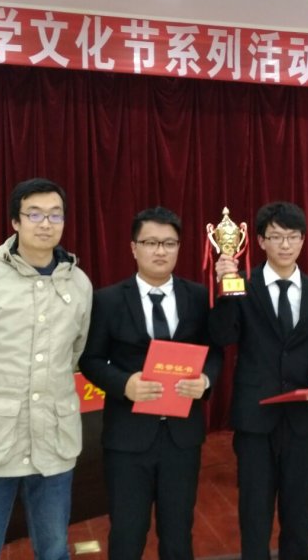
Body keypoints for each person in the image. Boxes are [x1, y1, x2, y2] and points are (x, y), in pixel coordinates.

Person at [0, 178, 93, 560]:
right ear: (15, 221)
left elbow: (75, 353)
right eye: (35, 214)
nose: (46, 224)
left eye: (55, 215)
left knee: (54, 549)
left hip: (53, 440)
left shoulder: (79, 283)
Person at [79, 207, 222, 560]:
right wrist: (123, 384)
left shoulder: (197, 296)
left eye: (169, 243)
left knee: (178, 533)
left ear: (179, 247)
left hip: (181, 438)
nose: (160, 251)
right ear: (133, 248)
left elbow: (214, 351)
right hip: (128, 438)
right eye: (151, 242)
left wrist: (205, 380)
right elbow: (90, 360)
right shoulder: (108, 300)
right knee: (128, 533)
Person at [210, 201, 308, 560]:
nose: (285, 244)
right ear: (261, 241)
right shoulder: (243, 285)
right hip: (255, 418)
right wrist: (224, 288)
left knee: (299, 514)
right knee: (255, 513)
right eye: (276, 236)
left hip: (303, 417)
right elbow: (223, 336)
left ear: (303, 240)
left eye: (292, 236)